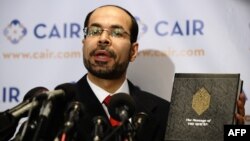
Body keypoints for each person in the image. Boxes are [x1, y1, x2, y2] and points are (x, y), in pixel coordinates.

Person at [12, 4, 246, 141]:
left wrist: (237, 130)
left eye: (116, 33)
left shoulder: (164, 113)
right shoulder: (51, 110)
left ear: (134, 51)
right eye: (94, 31)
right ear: (84, 42)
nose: (103, 39)